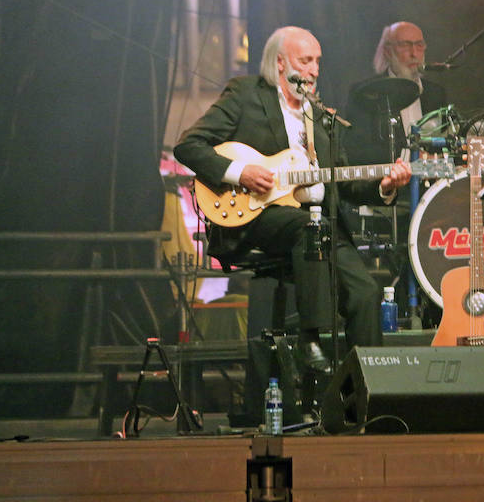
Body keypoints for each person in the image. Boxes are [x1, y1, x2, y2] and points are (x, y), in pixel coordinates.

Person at [174, 26, 412, 374]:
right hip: (256, 216)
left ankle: (367, 389)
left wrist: (386, 185)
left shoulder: (320, 116)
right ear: (281, 63)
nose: (315, 69)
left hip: (318, 222)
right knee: (308, 228)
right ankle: (310, 337)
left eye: (318, 61)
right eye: (306, 60)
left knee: (364, 292)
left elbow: (341, 180)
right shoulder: (246, 94)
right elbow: (188, 146)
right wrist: (240, 172)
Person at [344, 21, 447, 166]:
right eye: (405, 45)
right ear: (387, 51)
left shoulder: (436, 93)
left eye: (419, 45)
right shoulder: (366, 92)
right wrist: (411, 159)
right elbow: (359, 151)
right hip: (389, 183)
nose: (414, 54)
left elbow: (445, 143)